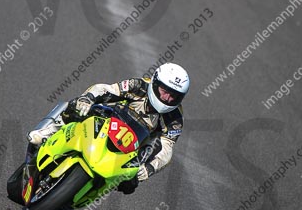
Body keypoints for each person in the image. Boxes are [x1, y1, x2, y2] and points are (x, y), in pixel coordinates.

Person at [26, 63, 189, 192]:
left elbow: (166, 149)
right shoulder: (139, 85)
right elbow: (105, 89)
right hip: (108, 119)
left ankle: (93, 187)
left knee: (129, 184)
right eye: (164, 91)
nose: (167, 98)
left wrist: (148, 169)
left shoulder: (175, 118)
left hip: (131, 146)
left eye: (174, 95)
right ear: (155, 82)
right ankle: (49, 131)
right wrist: (87, 98)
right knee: (78, 107)